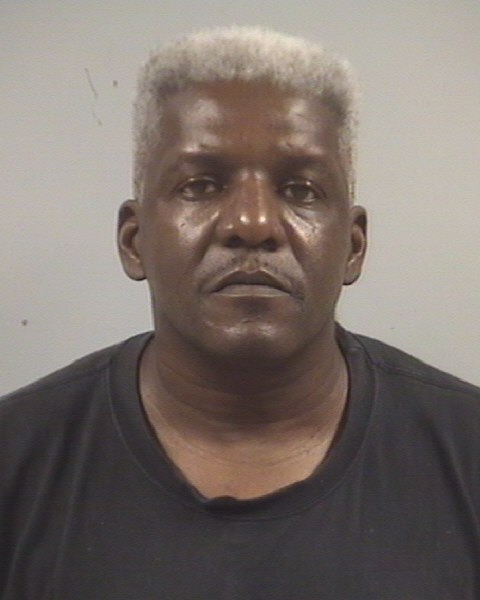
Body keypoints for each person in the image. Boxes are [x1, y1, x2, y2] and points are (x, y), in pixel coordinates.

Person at [1, 26, 479, 600]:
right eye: (201, 185)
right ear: (134, 240)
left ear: (353, 246)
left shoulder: (468, 453)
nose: (252, 224)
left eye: (301, 190)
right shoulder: (15, 461)